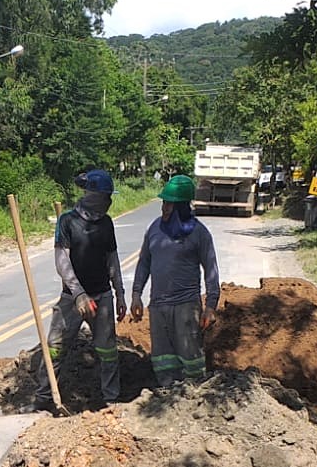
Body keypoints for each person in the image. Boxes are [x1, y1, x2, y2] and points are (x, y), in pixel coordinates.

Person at [30, 169, 126, 409]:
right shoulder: (68, 221)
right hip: (71, 299)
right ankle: (44, 398)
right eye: (105, 196)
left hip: (102, 297)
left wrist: (120, 293)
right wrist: (79, 294)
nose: (108, 201)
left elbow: (112, 260)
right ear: (92, 195)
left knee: (108, 351)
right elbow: (62, 262)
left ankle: (111, 400)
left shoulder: (106, 224)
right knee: (54, 348)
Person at [129, 174, 220, 387]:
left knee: (191, 360)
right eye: (163, 202)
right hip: (158, 307)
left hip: (186, 307)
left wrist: (210, 306)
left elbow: (211, 270)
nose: (163, 208)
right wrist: (136, 294)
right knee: (162, 360)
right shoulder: (154, 229)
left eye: (168, 204)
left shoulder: (199, 233)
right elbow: (144, 263)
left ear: (181, 207)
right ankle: (167, 396)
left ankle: (195, 396)